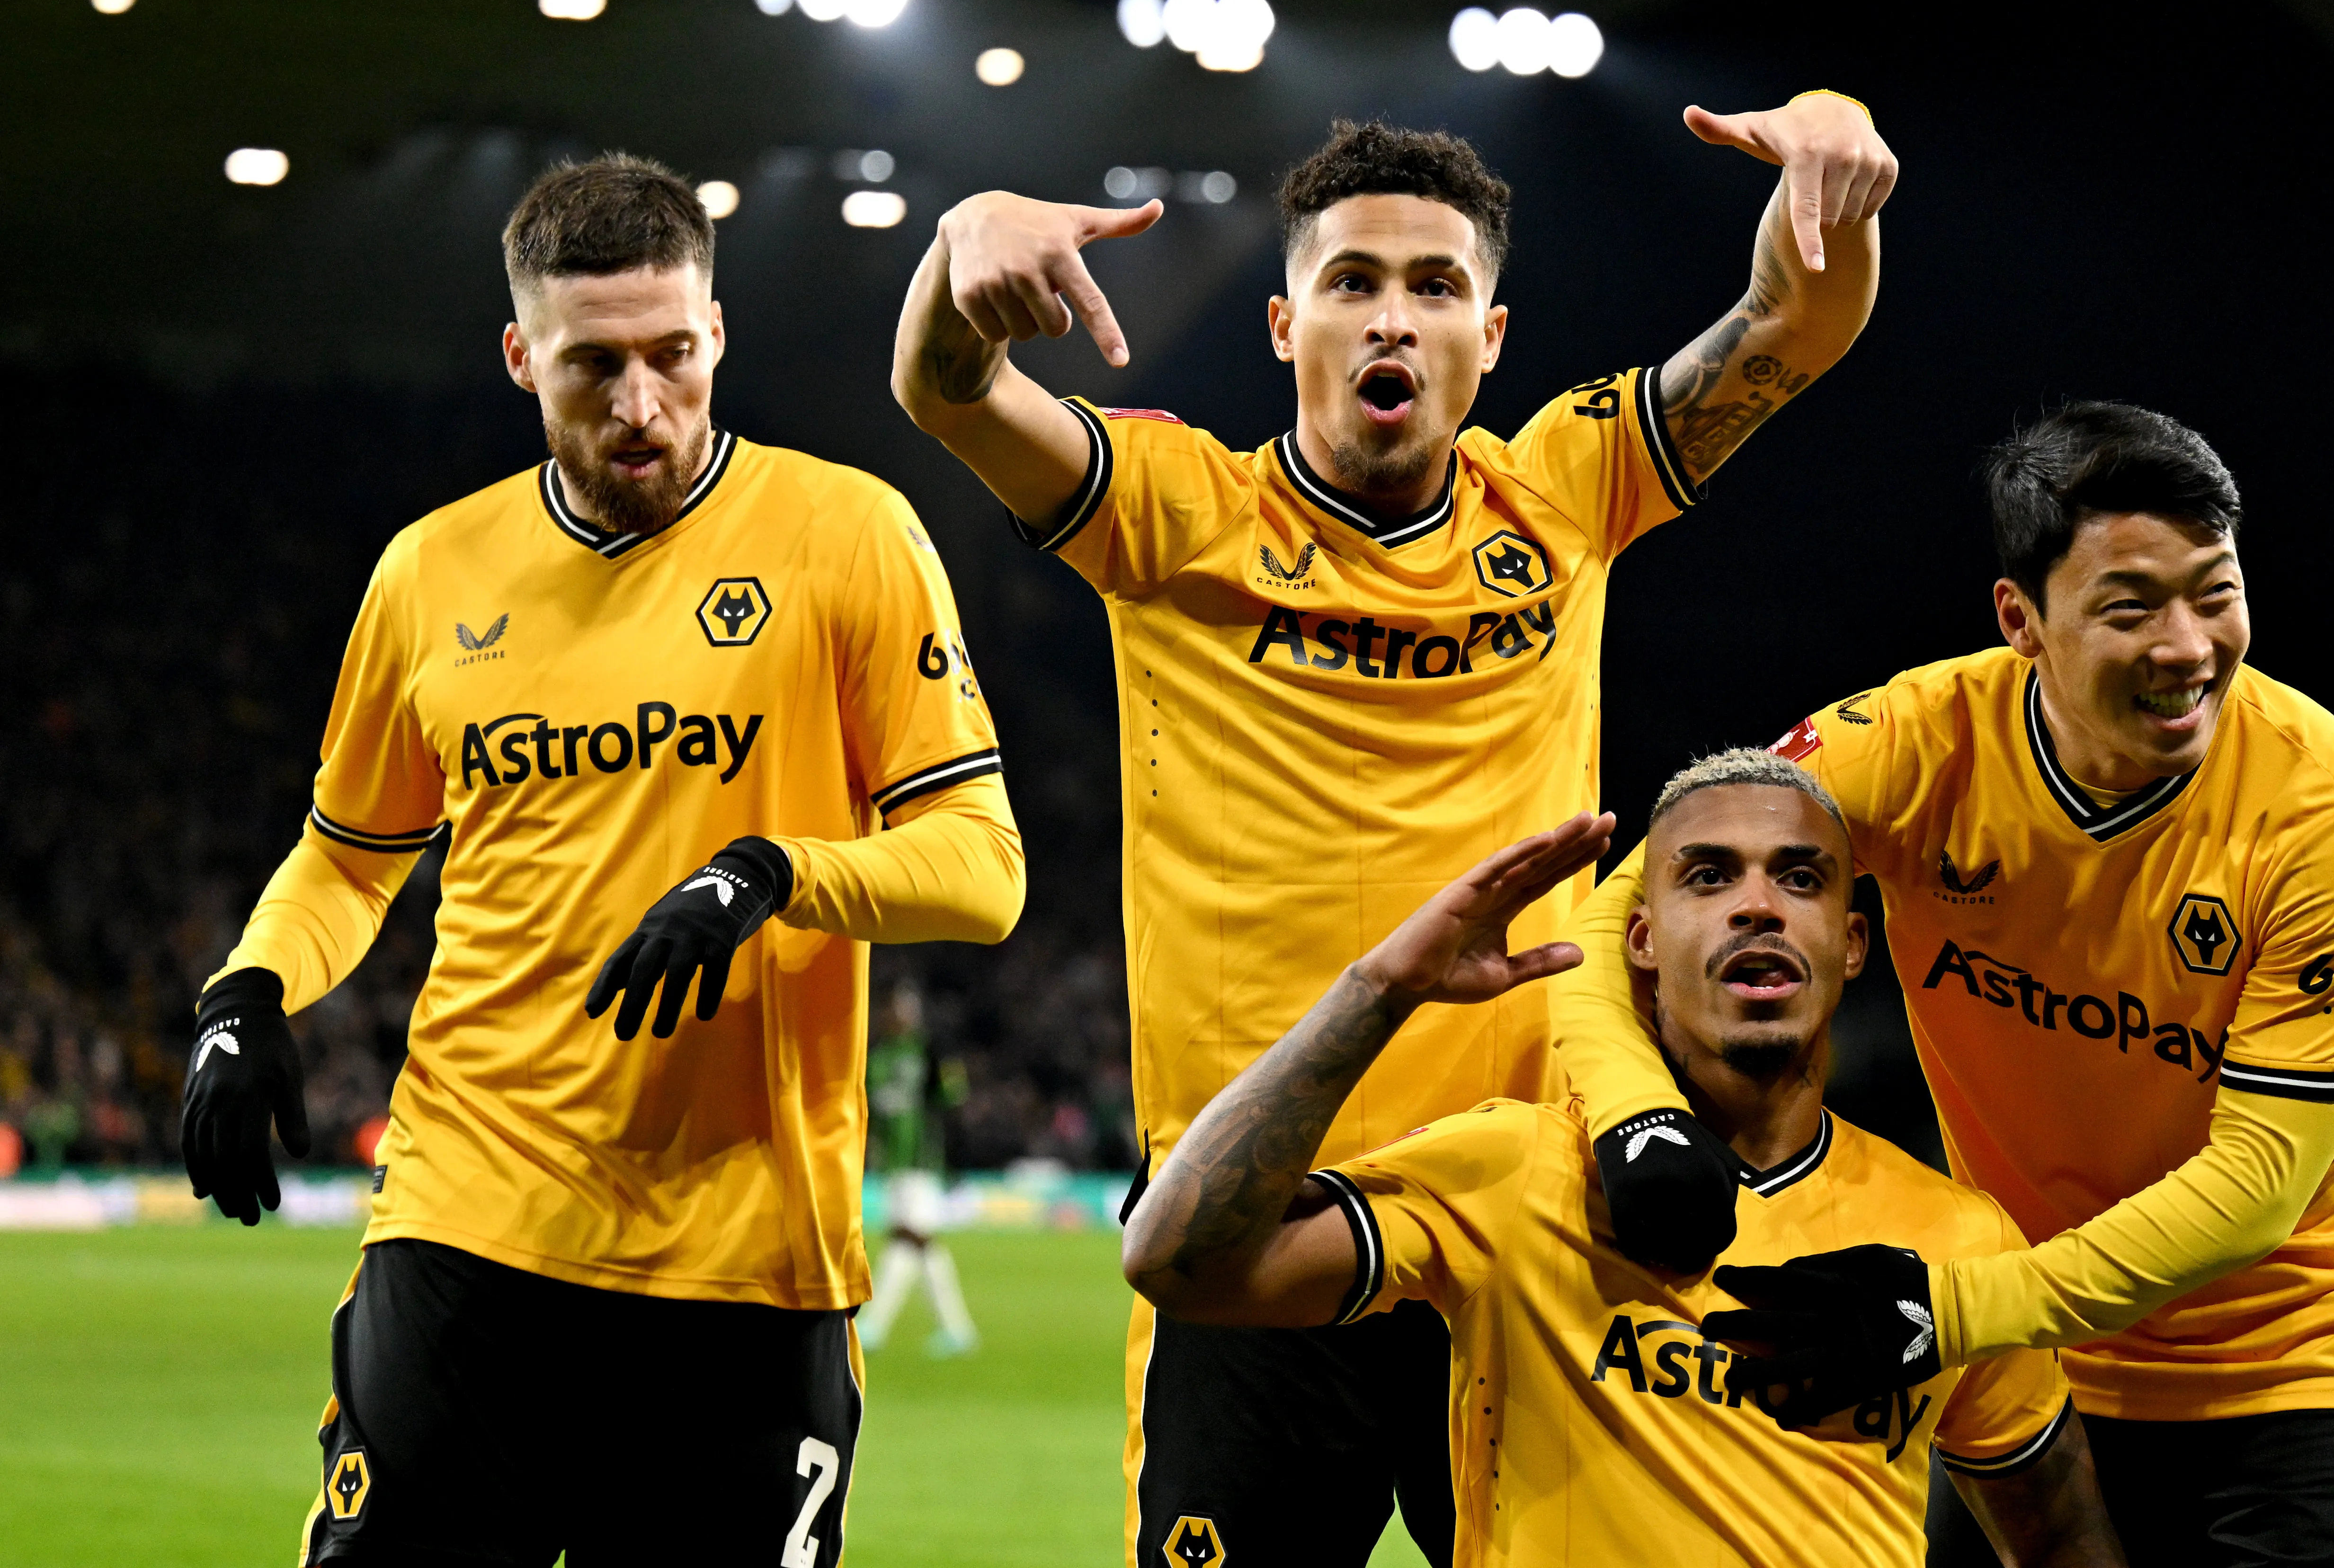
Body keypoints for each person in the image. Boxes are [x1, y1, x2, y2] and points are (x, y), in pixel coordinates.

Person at [894, 100, 1897, 1566]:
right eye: (1355, 281)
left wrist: (1838, 163)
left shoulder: (1562, 493)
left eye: (1435, 287)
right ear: (1284, 323)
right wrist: (959, 246)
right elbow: (945, 390)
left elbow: (1795, 323)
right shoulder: (1177, 518)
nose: (1394, 318)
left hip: (1504, 1236)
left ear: (1490, 338)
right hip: (1249, 1230)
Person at [177, 154, 1026, 1568]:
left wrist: (771, 874)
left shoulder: (851, 537)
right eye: (593, 366)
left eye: (672, 355)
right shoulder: (430, 573)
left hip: (749, 1258)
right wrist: (247, 994)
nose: (642, 405)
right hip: (471, 1220)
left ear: (717, 334)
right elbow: (346, 859)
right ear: (520, 357)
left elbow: (981, 868)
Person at [1550, 406, 2334, 1566]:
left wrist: (1950, 1310)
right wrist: (1639, 1120)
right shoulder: (1918, 747)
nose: (2187, 647)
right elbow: (1615, 916)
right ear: (2019, 619)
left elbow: (2259, 1183)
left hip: (2295, 1370)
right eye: (2130, 608)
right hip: (2041, 1365)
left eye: (2214, 593)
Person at [1122, 764, 2127, 1568]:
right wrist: (1380, 986)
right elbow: (1179, 1261)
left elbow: (2058, 1536)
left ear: (1852, 942)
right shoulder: (1512, 1168)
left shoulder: (1953, 1234)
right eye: (1707, 875)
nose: (1756, 907)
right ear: (1637, 941)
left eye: (1799, 876)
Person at [863, 977, 980, 1356]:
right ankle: (957, 1330)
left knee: (908, 1237)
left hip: (921, 1160)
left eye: (907, 1007)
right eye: (895, 1007)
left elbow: (951, 1101)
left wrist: (956, 1158)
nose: (901, 1014)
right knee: (923, 1245)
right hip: (892, 1163)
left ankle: (874, 1324)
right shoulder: (876, 1056)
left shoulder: (929, 1052)